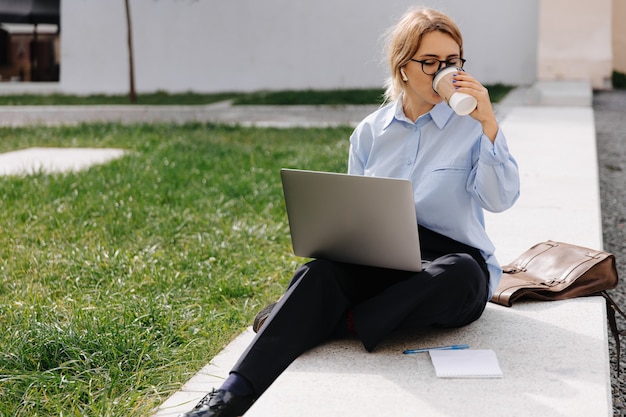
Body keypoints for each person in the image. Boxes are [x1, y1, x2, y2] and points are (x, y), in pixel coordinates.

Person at [180, 6, 520, 417]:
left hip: (450, 261)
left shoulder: (473, 127)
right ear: (403, 67)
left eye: (451, 62)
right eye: (429, 62)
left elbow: (500, 199)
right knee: (317, 272)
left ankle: (326, 321)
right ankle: (231, 395)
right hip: (385, 254)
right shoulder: (370, 132)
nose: (442, 73)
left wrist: (489, 125)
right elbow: (357, 211)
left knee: (461, 276)